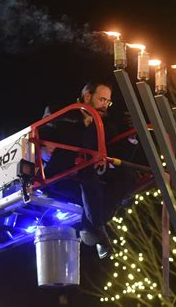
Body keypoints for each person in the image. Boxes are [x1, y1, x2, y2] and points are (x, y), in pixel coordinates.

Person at [41, 82, 138, 259]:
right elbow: (46, 132)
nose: (105, 105)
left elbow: (117, 155)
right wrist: (82, 123)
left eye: (108, 102)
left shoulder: (105, 124)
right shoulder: (65, 113)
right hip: (63, 174)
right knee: (87, 172)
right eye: (101, 99)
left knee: (129, 176)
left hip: (91, 173)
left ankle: (91, 227)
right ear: (87, 96)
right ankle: (97, 231)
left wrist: (132, 136)